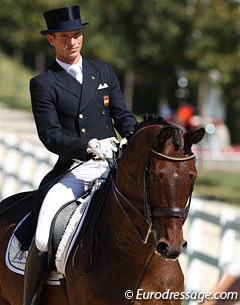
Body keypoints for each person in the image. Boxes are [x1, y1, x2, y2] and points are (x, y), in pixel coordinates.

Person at [17, 5, 137, 305]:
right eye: (65, 37)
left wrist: (135, 139)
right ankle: (32, 297)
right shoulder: (44, 84)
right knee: (44, 236)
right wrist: (88, 147)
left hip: (114, 162)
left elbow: (123, 117)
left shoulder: (104, 71)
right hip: (77, 166)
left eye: (77, 35)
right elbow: (50, 135)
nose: (72, 42)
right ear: (51, 40)